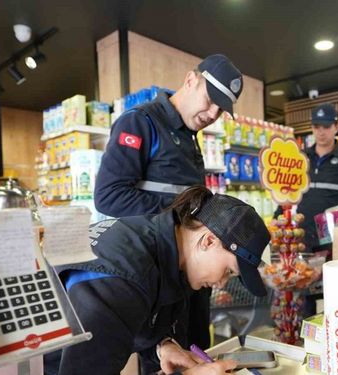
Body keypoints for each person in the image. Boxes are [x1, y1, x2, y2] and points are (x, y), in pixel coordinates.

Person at [94, 54, 244, 351]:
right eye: (210, 99)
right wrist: (184, 215)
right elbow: (109, 195)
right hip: (157, 277)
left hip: (193, 275)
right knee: (167, 357)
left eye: (221, 109)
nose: (213, 113)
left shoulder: (190, 136)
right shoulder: (140, 122)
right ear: (190, 80)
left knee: (198, 349)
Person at [47, 187, 270, 375]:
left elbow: (136, 313)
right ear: (209, 241)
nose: (221, 283)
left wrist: (162, 345)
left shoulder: (164, 246)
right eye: (229, 271)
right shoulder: (120, 276)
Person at [287, 103, 338, 252]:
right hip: (303, 237)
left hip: (336, 240)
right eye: (317, 127)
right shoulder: (301, 158)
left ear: (336, 127)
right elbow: (287, 192)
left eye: (326, 126)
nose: (321, 132)